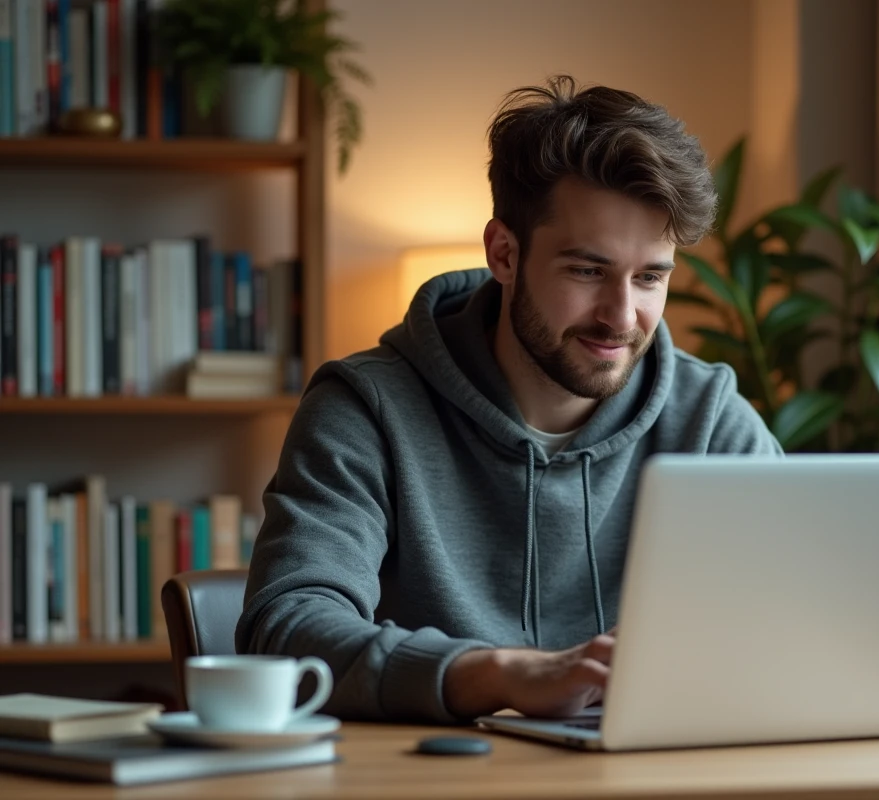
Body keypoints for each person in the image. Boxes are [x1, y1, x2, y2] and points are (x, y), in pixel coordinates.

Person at [235, 75, 782, 725]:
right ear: (504, 253)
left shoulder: (709, 419)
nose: (622, 315)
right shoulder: (367, 409)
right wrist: (495, 674)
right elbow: (287, 629)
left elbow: (815, 614)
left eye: (649, 278)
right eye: (588, 270)